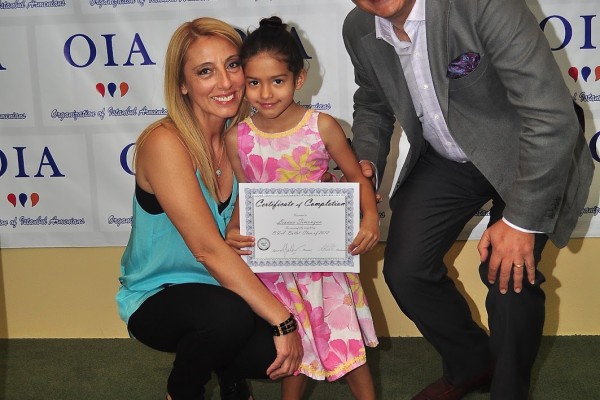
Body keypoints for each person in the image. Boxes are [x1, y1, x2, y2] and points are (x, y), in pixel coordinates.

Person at [342, 1, 594, 399]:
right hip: (446, 157)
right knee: (406, 271)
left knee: (509, 278)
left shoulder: (483, 4)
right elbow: (372, 102)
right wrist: (364, 163)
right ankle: (473, 366)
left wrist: (521, 222)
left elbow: (550, 116)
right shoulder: (358, 27)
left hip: (527, 151)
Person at [115, 17, 303, 400]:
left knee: (265, 351)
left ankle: (231, 378)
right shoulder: (164, 143)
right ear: (182, 84)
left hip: (224, 289)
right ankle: (182, 390)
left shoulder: (245, 140)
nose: (225, 82)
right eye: (205, 71)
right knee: (230, 318)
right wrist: (283, 321)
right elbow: (207, 249)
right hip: (158, 295)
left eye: (232, 65)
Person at [224, 16, 380, 400]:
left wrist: (370, 220)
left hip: (324, 263)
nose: (265, 93)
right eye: (254, 83)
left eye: (277, 81)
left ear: (299, 78)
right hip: (273, 267)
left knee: (345, 341)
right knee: (294, 346)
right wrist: (234, 228)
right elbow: (246, 193)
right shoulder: (237, 137)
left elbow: (355, 176)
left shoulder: (321, 126)